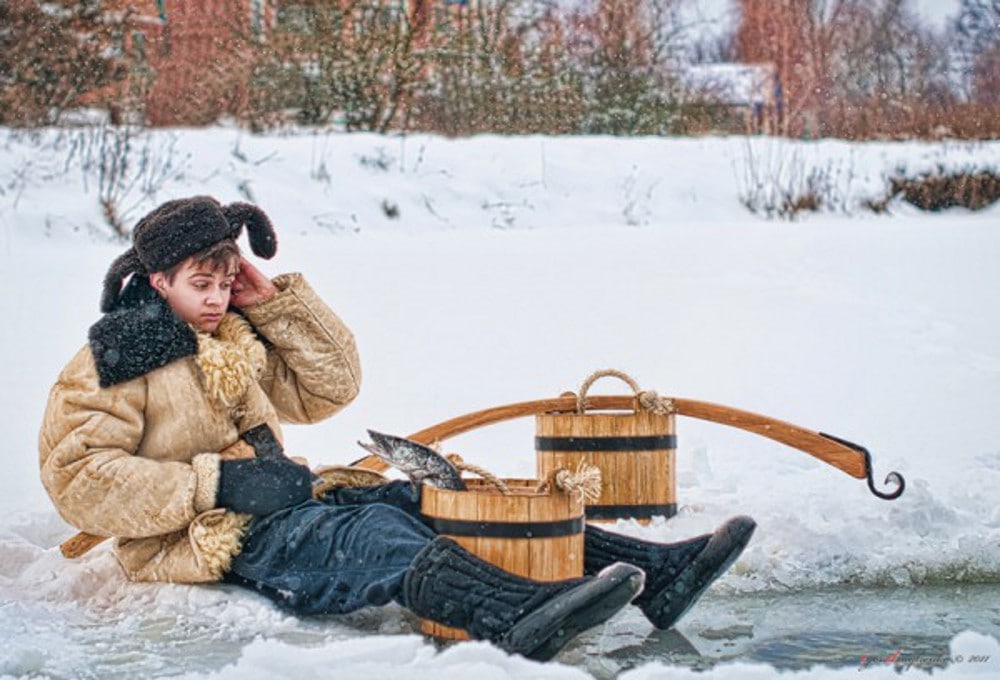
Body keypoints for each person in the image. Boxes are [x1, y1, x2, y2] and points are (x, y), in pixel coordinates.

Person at [39, 196, 755, 662]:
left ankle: (656, 573)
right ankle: (514, 615)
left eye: (228, 283)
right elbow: (77, 478)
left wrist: (273, 304)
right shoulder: (116, 358)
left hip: (283, 498)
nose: (219, 298)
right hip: (204, 536)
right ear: (158, 279)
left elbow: (330, 388)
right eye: (203, 284)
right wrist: (217, 481)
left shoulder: (232, 333)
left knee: (421, 502)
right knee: (369, 540)